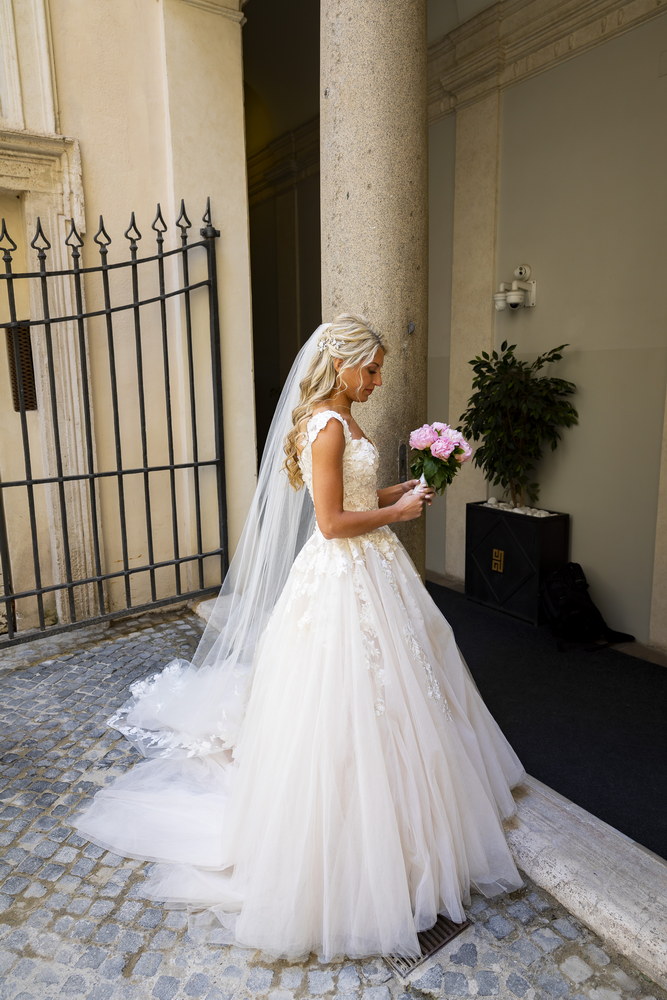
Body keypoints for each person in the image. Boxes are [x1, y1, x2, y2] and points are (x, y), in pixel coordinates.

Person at [74, 313, 524, 961]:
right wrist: (394, 513)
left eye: (378, 371)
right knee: (344, 698)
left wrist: (405, 488)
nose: (375, 381)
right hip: (343, 573)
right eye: (369, 369)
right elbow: (334, 521)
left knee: (402, 687)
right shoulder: (324, 425)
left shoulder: (342, 419)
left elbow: (357, 492)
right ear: (338, 365)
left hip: (374, 570)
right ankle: (345, 833)